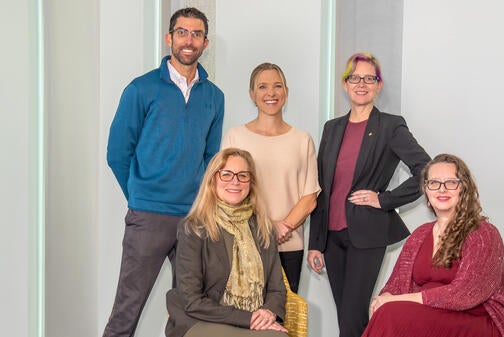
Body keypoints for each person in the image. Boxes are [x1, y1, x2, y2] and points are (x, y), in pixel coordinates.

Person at [104, 7, 224, 337]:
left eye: (196, 34)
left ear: (205, 42)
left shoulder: (215, 97)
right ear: (169, 38)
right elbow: (117, 154)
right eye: (182, 32)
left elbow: (212, 158)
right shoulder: (141, 89)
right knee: (127, 309)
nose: (189, 40)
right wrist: (141, 197)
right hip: (149, 217)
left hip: (193, 219)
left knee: (188, 311)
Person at [307, 52, 431, 337]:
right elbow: (321, 188)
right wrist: (316, 241)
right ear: (345, 84)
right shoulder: (332, 128)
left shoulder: (390, 126)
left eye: (369, 78)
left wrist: (383, 199)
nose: (361, 83)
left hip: (366, 234)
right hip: (331, 237)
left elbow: (425, 169)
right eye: (354, 77)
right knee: (348, 318)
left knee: (352, 316)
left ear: (378, 85)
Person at [362, 154, 504, 337]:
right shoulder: (420, 234)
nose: (442, 189)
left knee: (391, 314)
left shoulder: (483, 233)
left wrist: (398, 300)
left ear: (464, 189)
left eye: (451, 182)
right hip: (428, 315)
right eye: (434, 183)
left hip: (475, 319)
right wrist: (387, 296)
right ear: (426, 191)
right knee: (387, 311)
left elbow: (464, 295)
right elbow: (395, 285)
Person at [165, 148, 288, 337]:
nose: (235, 181)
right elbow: (192, 300)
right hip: (201, 320)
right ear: (213, 180)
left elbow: (276, 288)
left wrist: (268, 312)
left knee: (278, 336)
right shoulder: (194, 228)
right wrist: (249, 318)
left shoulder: (264, 228)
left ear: (251, 183)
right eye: (226, 174)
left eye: (243, 176)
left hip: (253, 318)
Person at [222, 62, 320, 293]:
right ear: (252, 94)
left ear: (286, 92)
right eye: (262, 86)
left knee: (284, 320)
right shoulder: (235, 136)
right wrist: (265, 227)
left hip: (289, 245)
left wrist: (281, 227)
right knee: (247, 322)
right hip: (244, 244)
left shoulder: (302, 139)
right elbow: (227, 193)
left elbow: (309, 197)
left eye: (277, 86)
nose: (270, 93)